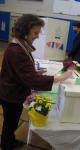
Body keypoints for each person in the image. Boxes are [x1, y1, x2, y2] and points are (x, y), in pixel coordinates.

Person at [0, 14, 74, 150]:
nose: (37, 36)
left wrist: (33, 73)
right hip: (10, 95)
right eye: (35, 33)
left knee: (12, 122)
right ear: (24, 31)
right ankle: (6, 145)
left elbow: (20, 72)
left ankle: (9, 141)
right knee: (10, 123)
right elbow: (32, 80)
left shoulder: (19, 46)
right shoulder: (17, 51)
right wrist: (59, 78)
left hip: (10, 91)